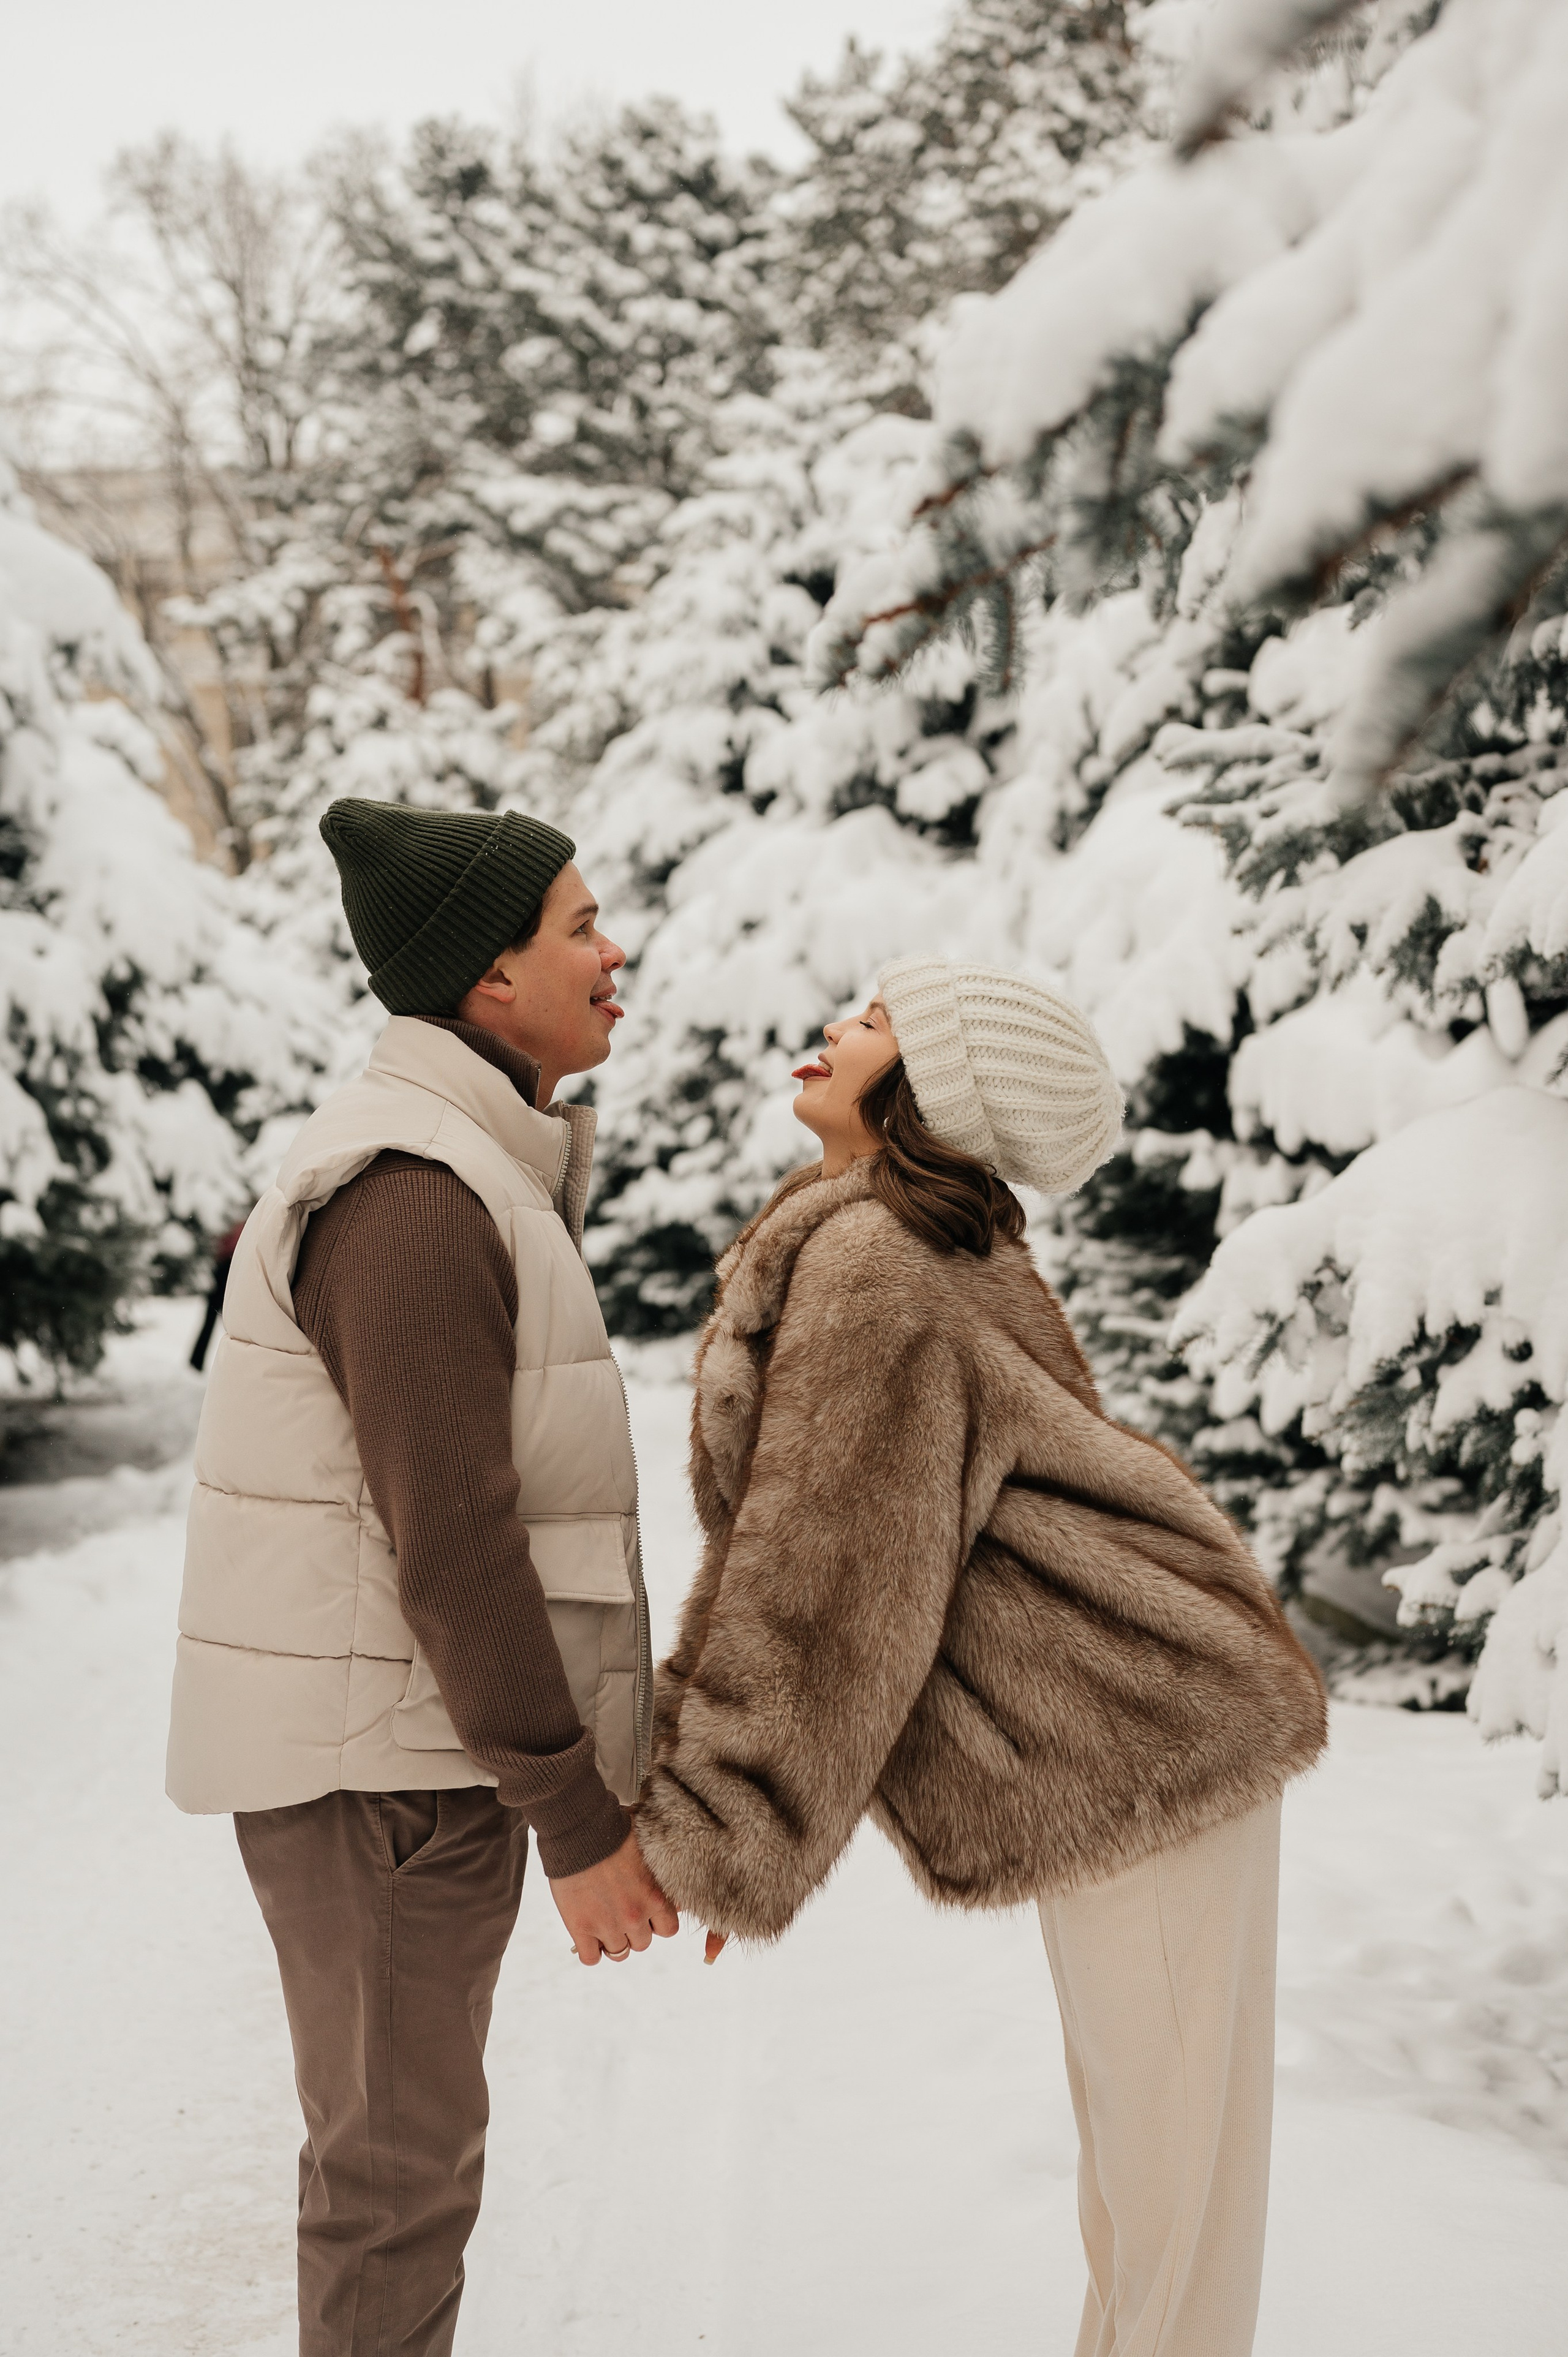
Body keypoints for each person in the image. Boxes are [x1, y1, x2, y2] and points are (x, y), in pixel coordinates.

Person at [635, 957, 1329, 2357]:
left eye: (877, 1018)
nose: (834, 1022)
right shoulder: (883, 1247)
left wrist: (725, 1820)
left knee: (1168, 2215)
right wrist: (721, 1806)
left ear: (932, 1089)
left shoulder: (882, 1262)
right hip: (1126, 1733)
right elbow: (795, 1542)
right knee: (1147, 2201)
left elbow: (820, 1576)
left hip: (1144, 1739)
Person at [165, 798, 677, 2357]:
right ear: (484, 979)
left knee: (406, 2165)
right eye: (578, 926)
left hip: (409, 1760)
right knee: (392, 2181)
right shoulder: (413, 1190)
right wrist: (576, 1813)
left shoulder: (469, 1164)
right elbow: (451, 1541)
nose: (613, 951)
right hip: (383, 1777)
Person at [188, 1213, 247, 1371]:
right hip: (226, 1278)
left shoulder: (231, 1224)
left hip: (223, 1277)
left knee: (222, 1327)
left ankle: (198, 1361)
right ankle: (199, 1361)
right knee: (231, 1329)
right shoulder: (238, 1225)